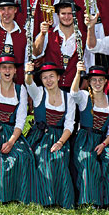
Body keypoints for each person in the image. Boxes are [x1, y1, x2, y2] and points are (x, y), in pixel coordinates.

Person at [0, 34, 40, 204]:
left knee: (24, 156)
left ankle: (19, 196)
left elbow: (20, 121)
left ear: (15, 70)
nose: (7, 71)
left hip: (11, 133)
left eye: (10, 67)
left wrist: (11, 141)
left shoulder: (21, 90)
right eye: (4, 67)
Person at [23, 62, 76, 208]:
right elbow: (29, 83)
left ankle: (61, 199)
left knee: (58, 158)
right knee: (42, 156)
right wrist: (28, 73)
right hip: (39, 136)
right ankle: (44, 199)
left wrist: (60, 142)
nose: (49, 80)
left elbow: (69, 125)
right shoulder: (39, 93)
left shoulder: (68, 98)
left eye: (51, 76)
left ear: (58, 77)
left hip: (60, 137)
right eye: (45, 77)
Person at [71, 64, 109, 207]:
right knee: (88, 160)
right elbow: (73, 93)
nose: (97, 83)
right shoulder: (84, 96)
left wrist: (104, 144)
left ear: (106, 81)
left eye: (101, 80)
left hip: (103, 140)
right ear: (89, 82)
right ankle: (89, 200)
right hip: (85, 139)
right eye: (94, 80)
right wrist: (78, 73)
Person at [32, 0, 87, 91]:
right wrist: (42, 34)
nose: (66, 17)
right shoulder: (48, 33)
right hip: (51, 88)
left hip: (74, 88)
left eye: (70, 13)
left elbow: (88, 62)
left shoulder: (84, 37)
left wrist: (81, 89)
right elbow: (35, 53)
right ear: (58, 15)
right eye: (63, 13)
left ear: (75, 15)